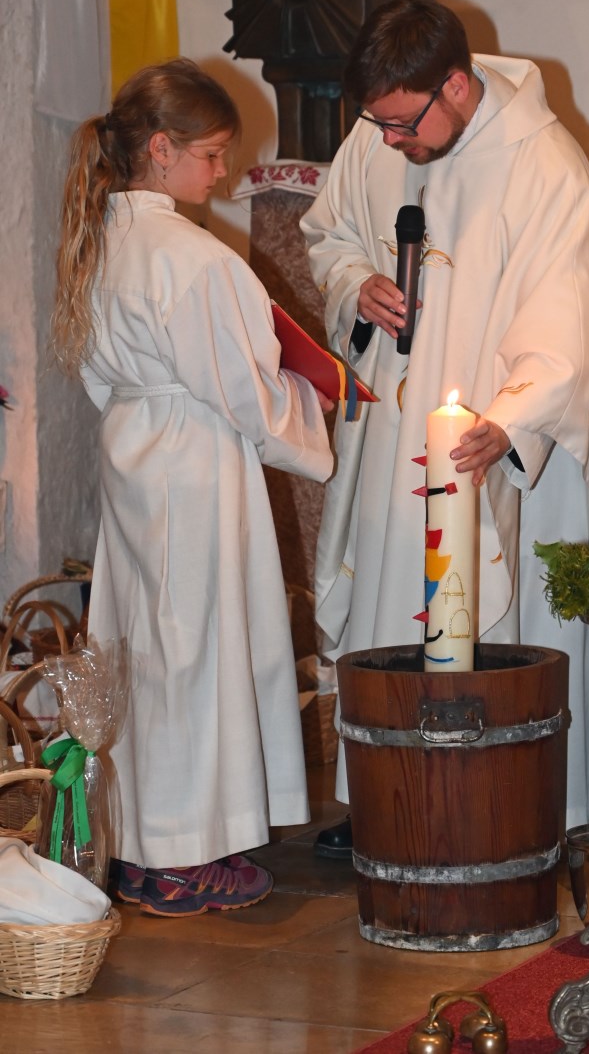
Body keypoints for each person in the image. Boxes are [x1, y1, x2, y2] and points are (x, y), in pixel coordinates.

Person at [301, 0, 589, 855]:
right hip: (392, 434)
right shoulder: (379, 132)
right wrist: (355, 284)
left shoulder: (542, 164)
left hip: (490, 446)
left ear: (454, 84)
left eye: (404, 125)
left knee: (496, 628)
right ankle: (388, 793)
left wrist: (513, 421)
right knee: (388, 607)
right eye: (380, 125)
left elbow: (572, 309)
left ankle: (503, 806)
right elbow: (326, 232)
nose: (391, 143)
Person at [51, 59, 334, 916]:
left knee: (148, 648)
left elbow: (108, 377)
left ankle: (140, 842)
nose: (222, 175)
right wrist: (309, 402)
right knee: (194, 651)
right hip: (195, 458)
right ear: (163, 149)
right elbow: (243, 388)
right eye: (211, 156)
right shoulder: (189, 254)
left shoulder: (101, 239)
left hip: (138, 449)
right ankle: (178, 856)